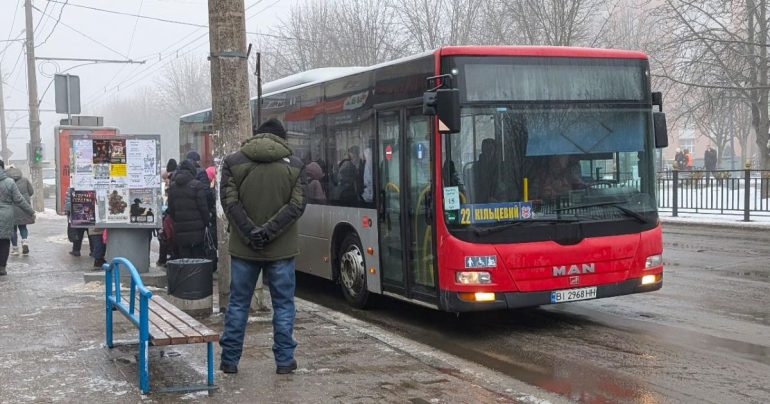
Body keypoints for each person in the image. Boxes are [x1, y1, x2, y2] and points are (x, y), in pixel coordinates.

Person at [219, 118, 306, 375]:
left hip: (245, 249)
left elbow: (229, 202)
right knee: (283, 305)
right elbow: (296, 206)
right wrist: (269, 232)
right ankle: (284, 361)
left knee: (238, 304)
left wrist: (250, 233)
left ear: (257, 135)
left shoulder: (233, 163)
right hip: (281, 249)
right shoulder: (296, 165)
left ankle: (230, 360)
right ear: (282, 137)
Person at [166, 160, 210, 259]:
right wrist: (206, 223)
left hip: (180, 229)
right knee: (198, 257)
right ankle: (198, 274)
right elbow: (203, 208)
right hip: (197, 229)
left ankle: (186, 274)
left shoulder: (173, 187)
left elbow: (171, 209)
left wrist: (177, 221)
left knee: (184, 257)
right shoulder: (197, 185)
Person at [0, 159, 35, 276]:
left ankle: (15, 249)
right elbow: (20, 200)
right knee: (4, 241)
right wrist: (31, 211)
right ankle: (2, 267)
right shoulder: (9, 182)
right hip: (7, 214)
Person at [5, 166, 34, 255]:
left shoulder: (6, 182)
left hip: (11, 207)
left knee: (13, 229)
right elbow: (31, 191)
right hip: (23, 206)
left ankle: (15, 249)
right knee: (23, 226)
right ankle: (24, 242)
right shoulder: (25, 180)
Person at [64, 188, 90, 257]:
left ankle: (76, 250)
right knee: (91, 233)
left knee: (78, 232)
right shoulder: (91, 184)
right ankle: (93, 251)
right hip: (90, 211)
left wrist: (68, 211)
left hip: (77, 213)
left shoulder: (73, 186)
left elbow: (68, 200)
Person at [473, 138, 500, 203]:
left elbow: (504, 188)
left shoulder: (500, 166)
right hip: (480, 205)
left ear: (495, 151)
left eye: (491, 149)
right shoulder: (476, 167)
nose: (489, 152)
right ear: (483, 150)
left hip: (501, 204)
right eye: (487, 149)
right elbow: (476, 188)